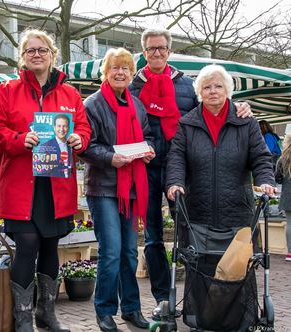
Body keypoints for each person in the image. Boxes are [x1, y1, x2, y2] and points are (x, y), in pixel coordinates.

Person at [128, 28, 252, 320]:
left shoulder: (186, 86)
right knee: (153, 236)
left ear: (169, 51)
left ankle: (193, 294)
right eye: (150, 49)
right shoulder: (132, 86)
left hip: (180, 171)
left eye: (161, 48)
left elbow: (212, 110)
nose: (156, 53)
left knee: (187, 232)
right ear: (143, 52)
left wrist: (239, 107)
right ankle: (163, 297)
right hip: (144, 169)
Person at [0, 28, 91, 332]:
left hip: (55, 183)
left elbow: (84, 130)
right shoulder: (6, 90)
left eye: (42, 50)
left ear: (52, 55)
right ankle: (23, 317)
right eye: (30, 50)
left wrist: (78, 139)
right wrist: (21, 139)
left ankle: (46, 313)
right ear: (22, 56)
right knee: (27, 244)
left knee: (50, 245)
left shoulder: (70, 94)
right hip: (21, 183)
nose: (37, 54)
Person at [79, 48, 154, 331]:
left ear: (131, 73)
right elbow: (86, 145)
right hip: (103, 188)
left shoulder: (137, 105)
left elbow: (148, 136)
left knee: (130, 253)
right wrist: (110, 157)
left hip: (131, 187)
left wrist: (149, 150)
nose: (120, 73)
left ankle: (131, 309)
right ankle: (105, 310)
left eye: (125, 68)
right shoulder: (93, 104)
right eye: (114, 68)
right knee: (111, 251)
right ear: (106, 73)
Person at [166, 63, 276, 241]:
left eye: (218, 86)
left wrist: (265, 181)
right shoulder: (186, 123)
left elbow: (260, 157)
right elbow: (176, 158)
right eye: (207, 87)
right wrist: (175, 182)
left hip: (238, 212)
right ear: (200, 93)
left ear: (227, 90)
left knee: (239, 267)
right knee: (198, 266)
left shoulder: (246, 122)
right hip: (198, 213)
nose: (213, 91)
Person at [275, 134, 291, 261]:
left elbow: (277, 178)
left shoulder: (282, 159)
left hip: (287, 197)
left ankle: (290, 253)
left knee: (290, 224)